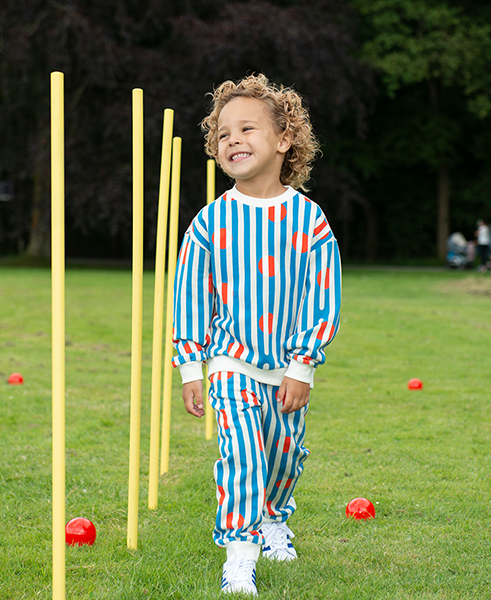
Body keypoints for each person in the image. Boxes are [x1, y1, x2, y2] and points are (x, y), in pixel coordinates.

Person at [171, 74, 341, 596]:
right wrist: (191, 367)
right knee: (243, 457)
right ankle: (239, 557)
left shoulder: (309, 221)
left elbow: (322, 298)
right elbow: (190, 298)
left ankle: (273, 520)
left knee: (284, 457)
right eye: (223, 134)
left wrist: (302, 366)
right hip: (231, 364)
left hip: (288, 369)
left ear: (285, 139)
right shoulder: (210, 223)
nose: (233, 140)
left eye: (247, 129)